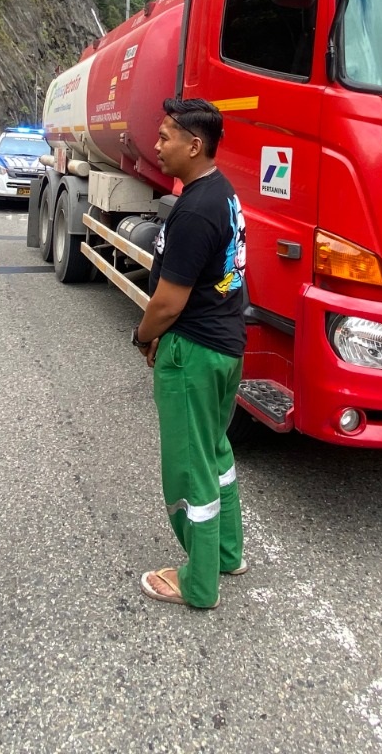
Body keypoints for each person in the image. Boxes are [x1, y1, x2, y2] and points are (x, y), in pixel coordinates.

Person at [131, 97, 248, 608]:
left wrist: (142, 337)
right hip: (224, 348)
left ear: (193, 144)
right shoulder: (221, 193)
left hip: (194, 353)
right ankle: (226, 553)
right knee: (215, 454)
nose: (156, 146)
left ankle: (198, 583)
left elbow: (167, 301)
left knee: (188, 468)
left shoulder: (196, 209)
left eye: (164, 137)